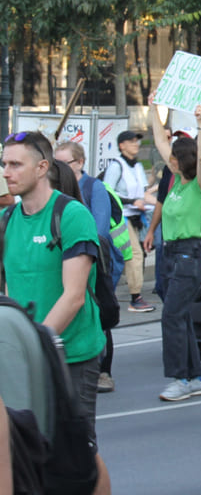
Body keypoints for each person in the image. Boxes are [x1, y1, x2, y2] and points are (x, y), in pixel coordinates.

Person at [1, 130, 110, 490]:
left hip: (72, 354)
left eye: (16, 164)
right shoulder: (7, 221)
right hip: (26, 356)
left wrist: (35, 347)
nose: (6, 172)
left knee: (79, 453)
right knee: (28, 450)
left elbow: (74, 295)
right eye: (4, 164)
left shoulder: (71, 214)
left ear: (42, 167)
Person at [145, 105, 201, 403]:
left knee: (171, 315)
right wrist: (152, 109)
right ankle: (195, 377)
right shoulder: (173, 180)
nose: (167, 159)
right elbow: (160, 140)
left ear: (181, 161)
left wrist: (200, 124)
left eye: (173, 157)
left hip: (188, 254)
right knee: (180, 316)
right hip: (171, 253)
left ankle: (179, 378)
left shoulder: (200, 186)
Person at [53, 142, 126, 395]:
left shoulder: (94, 187)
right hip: (67, 259)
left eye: (64, 164)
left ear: (80, 163)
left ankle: (103, 370)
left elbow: (100, 230)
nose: (58, 169)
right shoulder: (54, 192)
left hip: (96, 260)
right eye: (56, 164)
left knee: (97, 309)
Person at [102, 130, 154, 314]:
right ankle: (135, 297)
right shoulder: (117, 165)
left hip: (137, 216)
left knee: (134, 255)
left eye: (137, 142)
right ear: (121, 145)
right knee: (135, 254)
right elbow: (107, 191)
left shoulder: (137, 166)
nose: (136, 145)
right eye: (131, 141)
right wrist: (132, 202)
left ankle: (114, 292)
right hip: (120, 217)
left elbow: (143, 191)